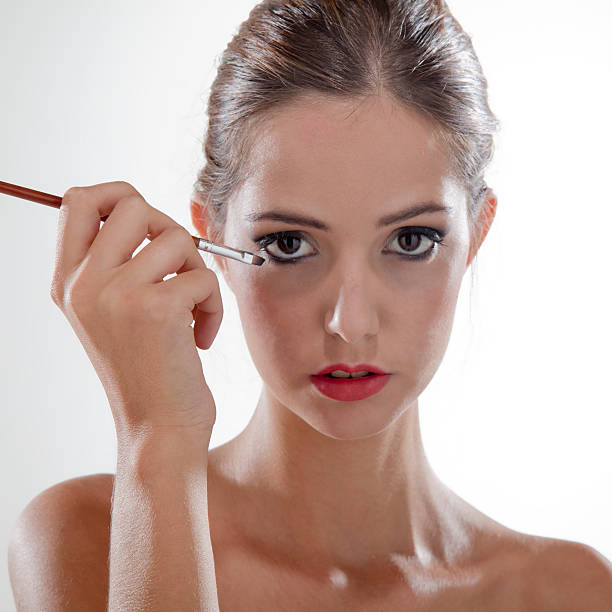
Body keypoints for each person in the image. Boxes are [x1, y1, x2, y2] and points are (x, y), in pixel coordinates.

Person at [8, 1, 612, 610]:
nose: (350, 325)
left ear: (476, 234)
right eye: (289, 244)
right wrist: (157, 438)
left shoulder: (574, 592)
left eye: (410, 241)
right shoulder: (87, 540)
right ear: (210, 235)